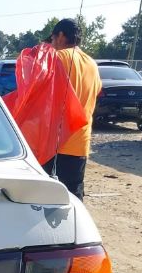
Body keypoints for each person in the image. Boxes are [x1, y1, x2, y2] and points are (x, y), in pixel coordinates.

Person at [42, 18, 102, 200]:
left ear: (60, 36)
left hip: (56, 146)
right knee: (74, 199)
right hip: (80, 144)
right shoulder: (92, 64)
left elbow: (39, 95)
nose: (52, 44)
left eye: (52, 40)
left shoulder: (58, 57)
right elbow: (97, 91)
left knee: (47, 200)